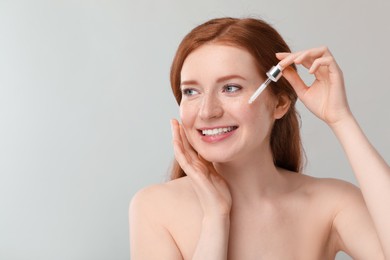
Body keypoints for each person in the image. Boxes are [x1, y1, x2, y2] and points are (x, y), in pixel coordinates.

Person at [129, 17, 390, 259]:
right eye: (191, 91)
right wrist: (215, 219)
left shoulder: (332, 204)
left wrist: (340, 119)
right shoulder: (155, 207)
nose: (207, 112)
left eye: (231, 88)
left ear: (280, 103)